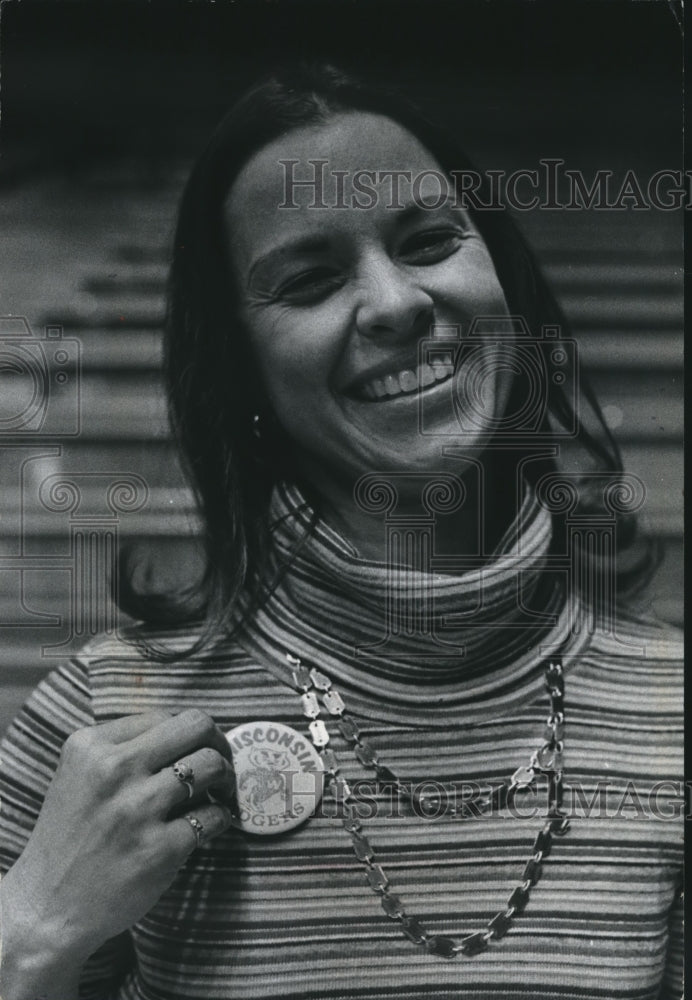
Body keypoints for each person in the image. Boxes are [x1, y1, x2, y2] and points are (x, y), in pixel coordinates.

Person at [0, 63, 682, 1000]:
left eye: (432, 240)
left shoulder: (672, 718)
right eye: (311, 279)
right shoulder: (105, 723)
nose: (397, 304)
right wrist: (31, 934)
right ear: (239, 375)